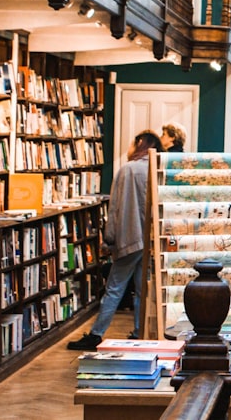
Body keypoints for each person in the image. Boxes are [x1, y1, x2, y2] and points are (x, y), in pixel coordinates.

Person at [68, 129, 164, 350]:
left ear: (140, 143)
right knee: (143, 290)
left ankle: (96, 334)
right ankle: (139, 332)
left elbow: (116, 208)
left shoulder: (127, 170)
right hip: (150, 241)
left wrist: (109, 239)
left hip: (130, 238)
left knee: (114, 287)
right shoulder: (157, 169)